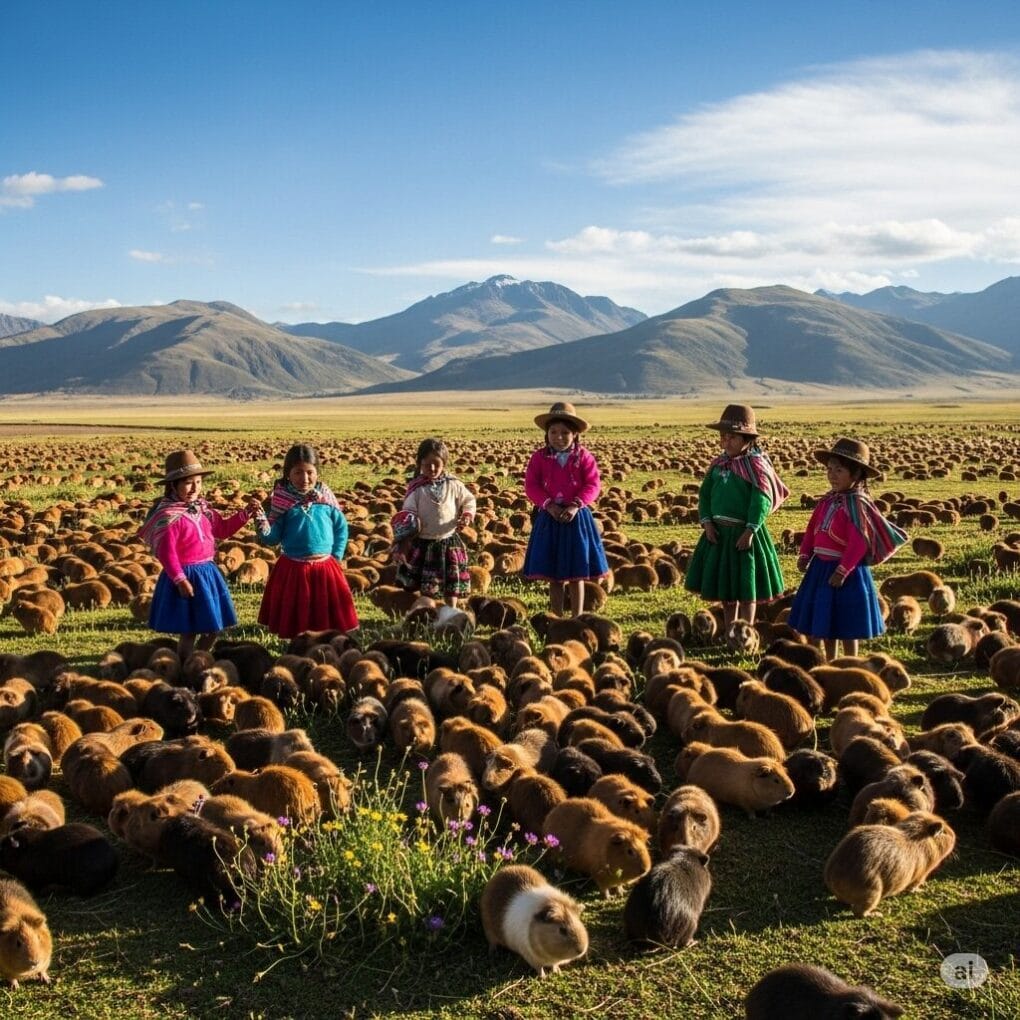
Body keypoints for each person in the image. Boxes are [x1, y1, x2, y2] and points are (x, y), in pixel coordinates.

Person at [788, 437, 907, 659]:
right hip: (821, 567)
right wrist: (805, 554)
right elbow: (812, 528)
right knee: (826, 618)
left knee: (847, 621)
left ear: (856, 475)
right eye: (829, 469)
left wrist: (843, 571)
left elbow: (858, 542)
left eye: (839, 470)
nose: (832, 475)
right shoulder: (827, 500)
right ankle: (831, 661)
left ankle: (851, 661)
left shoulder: (857, 504)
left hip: (847, 571)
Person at [140, 449, 260, 660]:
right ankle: (184, 664)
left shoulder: (203, 509)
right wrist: (180, 579)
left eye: (198, 482)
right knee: (190, 630)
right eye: (188, 483)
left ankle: (198, 659)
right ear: (173, 485)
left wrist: (245, 514)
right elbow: (167, 553)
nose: (195, 488)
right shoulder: (169, 516)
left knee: (213, 627)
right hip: (186, 575)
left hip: (207, 573)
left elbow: (222, 529)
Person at [684, 404, 788, 626]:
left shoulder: (756, 466)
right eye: (723, 437)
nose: (726, 442)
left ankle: (746, 628)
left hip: (745, 534)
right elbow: (705, 495)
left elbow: (761, 499)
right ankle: (731, 630)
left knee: (747, 585)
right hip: (719, 533)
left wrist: (751, 529)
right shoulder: (718, 465)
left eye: (732, 437)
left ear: (747, 439)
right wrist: (707, 522)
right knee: (727, 588)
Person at [255, 443, 359, 638]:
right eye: (298, 473)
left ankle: (325, 646)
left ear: (317, 472)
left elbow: (341, 528)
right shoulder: (282, 501)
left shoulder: (326, 499)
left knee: (326, 613)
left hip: (325, 565)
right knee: (297, 614)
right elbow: (272, 538)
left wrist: (336, 556)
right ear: (288, 474)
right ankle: (299, 647)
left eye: (310, 472)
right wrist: (262, 522)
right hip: (293, 568)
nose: (304, 478)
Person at [523, 401, 609, 617]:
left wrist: (575, 505)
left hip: (576, 518)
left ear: (575, 434)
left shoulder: (584, 457)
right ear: (546, 433)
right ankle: (557, 616)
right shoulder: (539, 457)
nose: (558, 437)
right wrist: (548, 505)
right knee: (554, 575)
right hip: (549, 517)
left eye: (564, 433)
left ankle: (577, 617)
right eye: (553, 432)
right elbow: (531, 485)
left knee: (577, 572)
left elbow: (593, 484)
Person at [395, 438, 476, 607]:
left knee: (452, 582)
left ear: (444, 463)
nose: (432, 468)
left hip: (449, 541)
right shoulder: (416, 488)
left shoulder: (454, 484)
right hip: (424, 542)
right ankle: (427, 611)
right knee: (427, 584)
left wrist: (467, 515)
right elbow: (408, 512)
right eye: (427, 465)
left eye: (436, 464)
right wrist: (407, 529)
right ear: (419, 464)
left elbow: (469, 500)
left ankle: (451, 610)